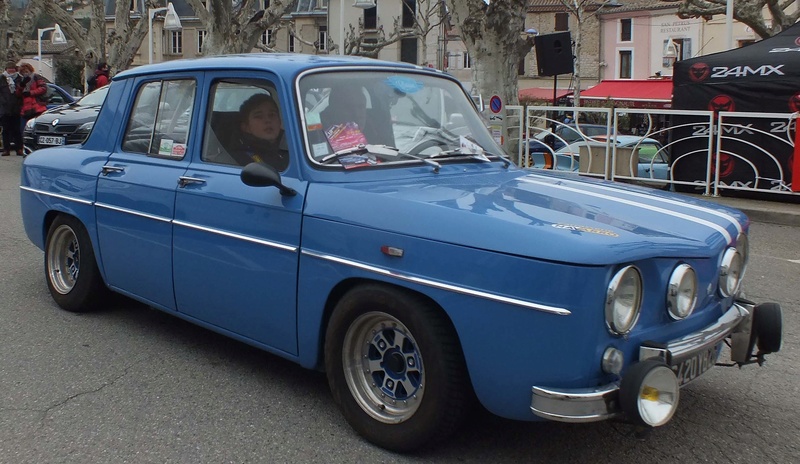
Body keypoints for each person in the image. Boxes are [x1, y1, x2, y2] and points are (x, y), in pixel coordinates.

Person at [229, 93, 289, 170]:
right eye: (259, 116)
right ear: (246, 127)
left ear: (280, 121)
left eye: (272, 114)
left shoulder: (294, 146)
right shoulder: (239, 159)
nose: (267, 120)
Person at [0, 62, 23, 156]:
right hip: (4, 108)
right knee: (5, 130)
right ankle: (6, 149)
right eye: (9, 68)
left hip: (16, 108)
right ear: (6, 69)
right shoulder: (2, 78)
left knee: (17, 130)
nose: (11, 70)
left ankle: (19, 149)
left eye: (13, 68)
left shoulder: (20, 78)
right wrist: (3, 102)